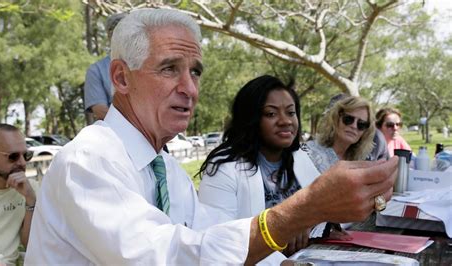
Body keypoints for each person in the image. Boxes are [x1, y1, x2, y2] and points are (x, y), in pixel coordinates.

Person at [25, 9, 398, 265]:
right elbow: (169, 256)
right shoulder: (88, 160)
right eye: (170, 68)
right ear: (121, 78)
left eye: (196, 72)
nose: (190, 88)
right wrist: (307, 208)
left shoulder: (166, 168)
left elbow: (211, 232)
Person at [198, 75, 319, 259]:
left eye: (291, 112)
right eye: (271, 114)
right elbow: (218, 243)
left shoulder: (300, 158)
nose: (285, 121)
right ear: (251, 119)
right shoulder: (223, 168)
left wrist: (305, 225)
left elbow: (322, 211)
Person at [0, 124, 38, 265]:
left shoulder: (30, 190)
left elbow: (31, 245)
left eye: (26, 155)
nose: (22, 162)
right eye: (13, 156)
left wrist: (30, 200)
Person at [306, 95, 376, 174]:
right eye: (348, 119)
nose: (354, 126)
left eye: (361, 124)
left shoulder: (364, 162)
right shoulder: (309, 151)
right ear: (336, 119)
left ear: (365, 131)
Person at [84, 13, 126, 122]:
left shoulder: (145, 64)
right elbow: (100, 111)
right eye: (117, 32)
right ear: (109, 36)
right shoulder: (96, 71)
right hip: (115, 133)